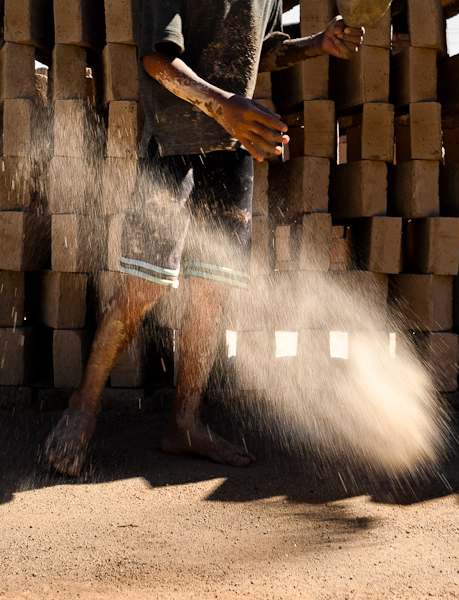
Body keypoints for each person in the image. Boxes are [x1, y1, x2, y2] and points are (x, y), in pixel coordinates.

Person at [46, 0, 364, 476]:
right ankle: (83, 405)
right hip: (174, 141)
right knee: (146, 286)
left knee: (211, 292)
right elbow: (157, 61)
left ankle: (186, 423)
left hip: (231, 147)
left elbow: (266, 49)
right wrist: (223, 106)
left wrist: (318, 43)